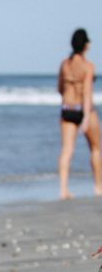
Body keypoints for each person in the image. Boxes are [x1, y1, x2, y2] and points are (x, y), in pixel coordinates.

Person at [57, 28, 101, 199]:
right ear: (86, 45)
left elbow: (60, 88)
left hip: (67, 109)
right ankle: (98, 187)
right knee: (96, 148)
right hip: (84, 110)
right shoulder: (88, 66)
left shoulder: (65, 64)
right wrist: (86, 118)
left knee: (67, 150)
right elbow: (87, 93)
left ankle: (62, 189)